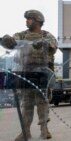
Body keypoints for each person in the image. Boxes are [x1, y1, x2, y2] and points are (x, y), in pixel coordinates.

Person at [1, 10, 57, 140]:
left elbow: (53, 46)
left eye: (29, 19)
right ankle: (25, 132)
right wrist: (6, 40)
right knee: (26, 104)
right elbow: (10, 43)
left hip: (41, 74)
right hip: (25, 73)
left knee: (42, 103)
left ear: (37, 21)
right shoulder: (21, 35)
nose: (27, 21)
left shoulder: (47, 35)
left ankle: (45, 130)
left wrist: (44, 43)